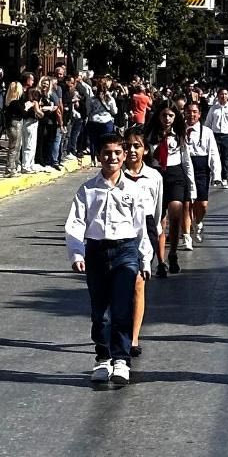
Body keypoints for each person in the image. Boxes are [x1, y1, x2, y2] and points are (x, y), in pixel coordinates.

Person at [65, 131, 152, 384]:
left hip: (126, 251)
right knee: (101, 312)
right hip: (96, 252)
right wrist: (77, 253)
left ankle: (122, 360)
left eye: (117, 153)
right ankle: (103, 358)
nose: (112, 157)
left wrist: (145, 260)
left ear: (124, 156)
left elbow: (140, 229)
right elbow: (75, 224)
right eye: (106, 153)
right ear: (99, 156)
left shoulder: (134, 190)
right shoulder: (88, 190)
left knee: (122, 308)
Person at [122, 125, 163, 359]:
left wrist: (154, 234)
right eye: (127, 146)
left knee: (139, 282)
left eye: (137, 146)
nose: (132, 151)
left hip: (145, 230)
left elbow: (157, 212)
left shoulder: (154, 177)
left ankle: (134, 337)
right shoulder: (116, 176)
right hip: (121, 228)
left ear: (145, 150)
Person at [145, 103, 196, 277]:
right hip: (157, 175)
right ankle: (161, 261)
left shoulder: (180, 135)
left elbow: (186, 161)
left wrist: (192, 186)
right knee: (160, 221)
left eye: (171, 116)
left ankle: (173, 253)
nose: (167, 119)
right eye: (164, 115)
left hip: (176, 176)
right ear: (158, 117)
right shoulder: (151, 135)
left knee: (175, 216)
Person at [184, 101, 222, 247]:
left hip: (201, 170)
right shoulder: (180, 131)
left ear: (199, 114)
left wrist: (216, 174)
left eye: (194, 112)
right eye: (189, 111)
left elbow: (213, 153)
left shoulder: (206, 132)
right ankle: (187, 235)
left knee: (202, 204)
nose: (191, 114)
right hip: (185, 168)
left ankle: (198, 222)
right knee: (187, 204)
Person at [204, 89, 228, 188]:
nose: (223, 96)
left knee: (226, 158)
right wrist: (205, 134)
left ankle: (224, 178)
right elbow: (208, 122)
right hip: (215, 135)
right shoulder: (213, 109)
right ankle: (215, 177)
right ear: (218, 96)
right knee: (215, 157)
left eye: (225, 94)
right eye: (221, 94)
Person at [87, 78, 117, 166]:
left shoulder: (92, 99)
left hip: (94, 120)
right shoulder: (109, 98)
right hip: (106, 121)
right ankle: (105, 157)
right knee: (106, 141)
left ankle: (93, 160)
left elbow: (88, 110)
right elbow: (114, 111)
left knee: (93, 141)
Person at [21, 88, 44, 173]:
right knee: (30, 145)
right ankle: (27, 166)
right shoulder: (34, 102)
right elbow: (39, 113)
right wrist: (43, 111)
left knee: (28, 145)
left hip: (27, 122)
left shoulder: (27, 102)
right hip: (31, 123)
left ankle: (29, 164)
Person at [4, 82, 25, 176]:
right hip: (15, 124)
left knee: (14, 146)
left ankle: (13, 167)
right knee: (14, 146)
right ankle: (10, 169)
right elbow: (23, 113)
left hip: (11, 125)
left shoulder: (9, 101)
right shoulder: (15, 102)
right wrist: (27, 107)